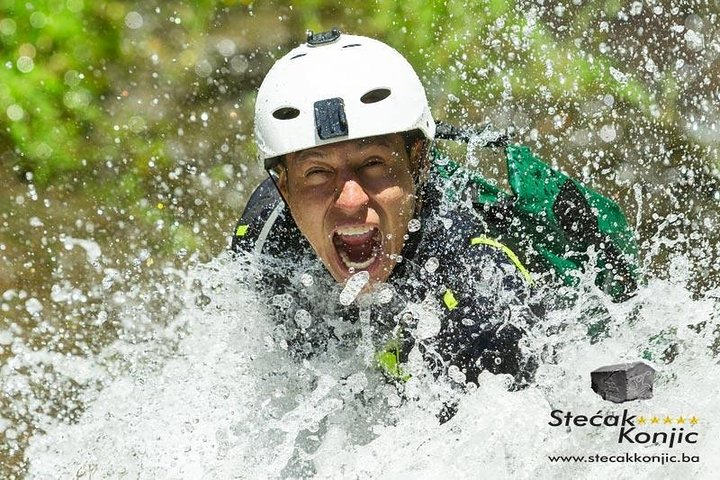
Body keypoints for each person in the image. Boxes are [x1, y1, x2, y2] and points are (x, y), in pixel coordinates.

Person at [231, 29, 541, 388]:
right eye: (317, 172)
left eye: (373, 163)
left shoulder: (480, 289)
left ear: (418, 162)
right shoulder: (264, 240)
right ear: (284, 186)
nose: (350, 200)